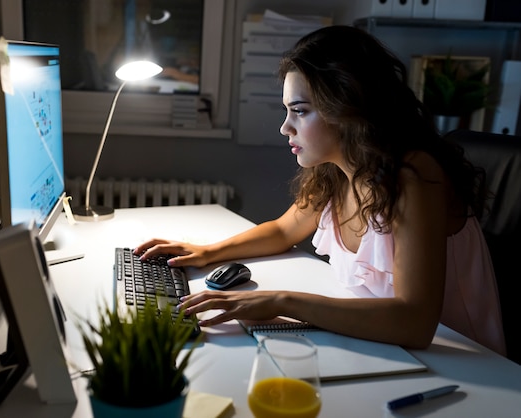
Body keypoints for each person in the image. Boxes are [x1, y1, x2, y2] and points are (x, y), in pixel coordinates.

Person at [134, 25, 506, 355]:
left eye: (299, 111)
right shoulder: (337, 172)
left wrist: (282, 301)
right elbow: (284, 230)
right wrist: (205, 253)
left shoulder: (412, 175)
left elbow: (415, 322)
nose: (285, 128)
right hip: (389, 348)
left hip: (465, 364)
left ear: (347, 107)